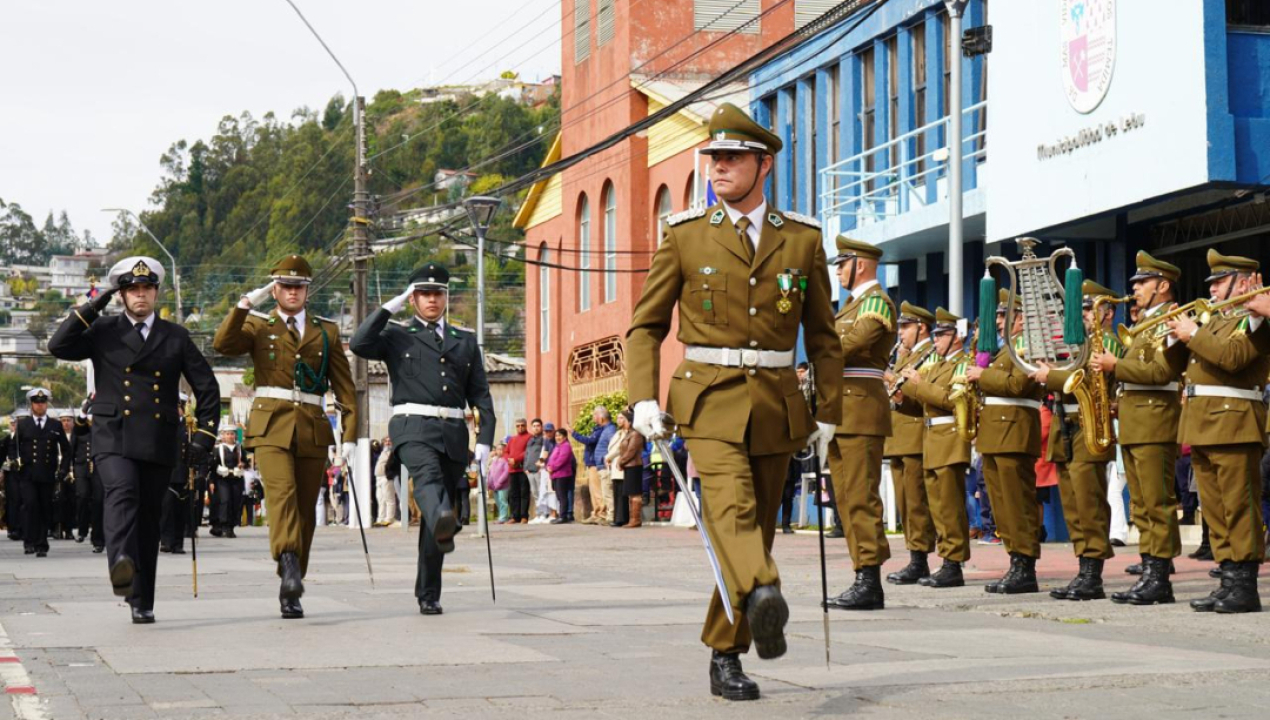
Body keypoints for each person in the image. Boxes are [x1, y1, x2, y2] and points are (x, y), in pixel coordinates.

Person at [626, 102, 842, 701]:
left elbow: (823, 335)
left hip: (777, 403)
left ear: (763, 164)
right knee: (732, 512)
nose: (718, 167)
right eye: (713, 157)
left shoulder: (801, 241)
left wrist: (828, 410)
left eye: (732, 158)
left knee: (752, 536)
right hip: (708, 401)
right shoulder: (686, 235)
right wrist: (642, 396)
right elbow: (645, 326)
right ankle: (767, 591)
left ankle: (726, 653)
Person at [48, 256, 220, 624]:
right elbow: (58, 346)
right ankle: (121, 564)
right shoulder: (103, 331)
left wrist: (204, 438)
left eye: (146, 289)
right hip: (113, 435)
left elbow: (207, 387)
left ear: (156, 292)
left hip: (158, 439)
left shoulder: (175, 336)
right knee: (122, 493)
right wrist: (94, 305)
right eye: (132, 290)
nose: (140, 296)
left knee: (148, 519)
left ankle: (142, 600)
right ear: (122, 295)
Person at [212, 254, 356, 620]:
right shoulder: (260, 326)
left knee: (306, 507)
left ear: (308, 291)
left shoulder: (327, 331)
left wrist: (351, 438)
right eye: (286, 285)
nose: (292, 291)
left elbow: (345, 389)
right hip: (271, 425)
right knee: (282, 495)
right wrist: (243, 306)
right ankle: (288, 559)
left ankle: (291, 584)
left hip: (311, 426)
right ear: (274, 289)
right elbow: (222, 344)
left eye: (299, 286)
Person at [350, 262, 496, 616]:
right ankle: (446, 516)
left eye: (438, 293)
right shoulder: (397, 335)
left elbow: (480, 395)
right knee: (429, 482)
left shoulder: (464, 341)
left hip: (452, 433)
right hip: (411, 427)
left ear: (446, 297)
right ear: (414, 298)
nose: (432, 300)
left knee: (436, 522)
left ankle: (429, 592)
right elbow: (359, 343)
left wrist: (485, 439)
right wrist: (389, 308)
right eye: (424, 294)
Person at [1166, 250, 1270, 613]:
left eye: (1219, 282)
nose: (1211, 290)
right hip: (1203, 422)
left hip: (1235, 422)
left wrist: (1193, 333)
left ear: (1243, 283)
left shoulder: (1253, 320)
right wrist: (1175, 336)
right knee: (1215, 509)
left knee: (1239, 506)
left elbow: (1233, 358)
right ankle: (1227, 577)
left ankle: (1244, 584)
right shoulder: (1212, 321)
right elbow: (1178, 368)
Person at [1090, 252, 1184, 605]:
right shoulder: (1144, 322)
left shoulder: (1172, 319)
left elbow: (1162, 372)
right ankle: (1149, 570)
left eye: (1142, 283)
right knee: (1141, 505)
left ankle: (1160, 576)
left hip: (1155, 422)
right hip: (1134, 420)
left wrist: (1116, 366)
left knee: (1156, 503)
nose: (1136, 289)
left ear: (1163, 285)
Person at [1030, 281, 1122, 600]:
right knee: (1072, 503)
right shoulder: (1078, 344)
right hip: (1064, 421)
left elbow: (1083, 376)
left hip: (1089, 422)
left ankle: (1093, 573)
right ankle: (1083, 567)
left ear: (1105, 313)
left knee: (1089, 501)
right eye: (1081, 310)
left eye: (1087, 310)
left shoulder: (1106, 340)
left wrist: (1051, 376)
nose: (1082, 316)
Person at [825, 236, 896, 611]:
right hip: (841, 411)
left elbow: (847, 346)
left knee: (861, 498)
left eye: (842, 263)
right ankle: (861, 575)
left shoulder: (876, 303)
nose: (838, 270)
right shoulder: (851, 306)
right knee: (846, 499)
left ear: (861, 264)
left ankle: (870, 579)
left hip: (861, 409)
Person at [963, 289, 1045, 594]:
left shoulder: (1028, 344)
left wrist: (981, 376)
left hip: (1014, 431)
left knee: (1017, 503)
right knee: (1000, 504)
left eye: (1004, 316)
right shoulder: (1002, 350)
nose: (998, 322)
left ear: (1021, 318)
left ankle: (1025, 566)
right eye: (998, 316)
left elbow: (1018, 383)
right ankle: (1015, 561)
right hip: (995, 434)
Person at [901, 308, 972, 588]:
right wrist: (901, 394)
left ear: (956, 337)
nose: (936, 339)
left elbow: (951, 398)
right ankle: (945, 560)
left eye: (941, 335)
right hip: (933, 439)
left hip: (950, 437)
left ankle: (953, 563)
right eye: (935, 334)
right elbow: (923, 402)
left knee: (950, 505)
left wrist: (918, 385)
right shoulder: (938, 365)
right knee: (938, 507)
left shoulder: (962, 363)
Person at [884, 302, 938, 585]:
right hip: (897, 438)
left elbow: (924, 394)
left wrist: (894, 380)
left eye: (906, 327)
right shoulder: (905, 355)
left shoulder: (929, 355)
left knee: (916, 502)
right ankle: (914, 555)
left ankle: (920, 559)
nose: (900, 333)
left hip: (916, 437)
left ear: (922, 328)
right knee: (905, 502)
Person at [7, 389, 71, 557]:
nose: (40, 405)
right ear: (32, 405)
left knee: (44, 508)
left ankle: (42, 544)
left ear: (46, 405)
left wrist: (63, 469)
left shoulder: (55, 425)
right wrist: (14, 460)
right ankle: (29, 542)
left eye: (43, 403)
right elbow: (13, 446)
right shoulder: (24, 425)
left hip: (47, 474)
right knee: (30, 506)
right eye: (37, 403)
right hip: (27, 474)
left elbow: (66, 450)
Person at [160, 394, 195, 554]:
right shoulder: (163, 425)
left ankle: (178, 543)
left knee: (180, 511)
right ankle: (166, 541)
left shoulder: (188, 428)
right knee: (166, 510)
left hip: (183, 474)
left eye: (178, 408)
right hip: (166, 473)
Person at [70, 400, 104, 552]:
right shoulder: (80, 426)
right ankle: (82, 529)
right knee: (82, 497)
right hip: (82, 467)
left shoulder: (101, 426)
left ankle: (98, 538)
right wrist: (71, 468)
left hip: (98, 467)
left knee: (98, 501)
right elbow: (72, 449)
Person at [574, 409, 617, 525]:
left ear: (601, 417)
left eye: (594, 415)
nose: (593, 417)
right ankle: (597, 513)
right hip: (595, 463)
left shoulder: (607, 430)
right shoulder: (600, 429)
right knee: (594, 491)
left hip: (600, 464)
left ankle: (603, 514)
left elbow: (590, 441)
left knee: (601, 492)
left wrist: (572, 432)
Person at [211, 425, 246, 537]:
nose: (230, 436)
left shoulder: (240, 448)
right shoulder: (218, 449)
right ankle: (223, 525)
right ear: (223, 436)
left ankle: (231, 526)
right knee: (225, 501)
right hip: (222, 479)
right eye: (227, 434)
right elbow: (212, 466)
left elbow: (245, 462)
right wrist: (211, 481)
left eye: (232, 434)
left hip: (236, 479)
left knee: (235, 502)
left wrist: (242, 464)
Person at [617, 409, 646, 528]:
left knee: (635, 494)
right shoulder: (629, 434)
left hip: (634, 465)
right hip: (629, 466)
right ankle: (632, 518)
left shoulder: (636, 434)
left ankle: (636, 519)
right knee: (631, 494)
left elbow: (631, 451)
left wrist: (621, 461)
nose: (620, 421)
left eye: (623, 419)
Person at [605, 411, 630, 527]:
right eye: (618, 418)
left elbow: (621, 449)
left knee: (621, 493)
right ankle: (617, 517)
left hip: (621, 464)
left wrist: (609, 457)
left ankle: (621, 518)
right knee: (616, 492)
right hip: (614, 464)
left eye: (621, 418)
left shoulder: (628, 434)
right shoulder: (618, 433)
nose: (619, 420)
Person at [546, 429, 577, 524]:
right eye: (556, 436)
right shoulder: (557, 446)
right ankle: (562, 514)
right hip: (555, 474)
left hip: (563, 474)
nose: (557, 438)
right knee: (559, 496)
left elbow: (561, 460)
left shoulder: (566, 446)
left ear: (565, 437)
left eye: (560, 436)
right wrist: (548, 466)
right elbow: (551, 459)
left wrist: (552, 467)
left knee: (563, 496)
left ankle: (563, 516)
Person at [505, 419, 531, 524]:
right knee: (513, 494)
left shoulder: (529, 437)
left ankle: (524, 515)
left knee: (524, 493)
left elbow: (528, 451)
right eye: (518, 426)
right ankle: (514, 516)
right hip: (512, 470)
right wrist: (509, 459)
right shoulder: (512, 439)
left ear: (526, 426)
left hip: (523, 468)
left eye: (522, 425)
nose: (520, 427)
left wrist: (516, 459)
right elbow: (506, 451)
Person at [374, 437, 398, 526]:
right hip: (378, 477)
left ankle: (389, 518)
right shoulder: (383, 452)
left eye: (389, 441)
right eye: (386, 441)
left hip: (385, 477)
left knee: (389, 498)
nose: (387, 443)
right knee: (380, 499)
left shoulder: (392, 452)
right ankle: (381, 518)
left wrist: (389, 474)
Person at [488, 444, 511, 523]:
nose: (500, 451)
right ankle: (501, 515)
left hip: (502, 486)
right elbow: (490, 472)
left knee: (502, 501)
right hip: (494, 486)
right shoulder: (494, 460)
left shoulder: (505, 460)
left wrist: (500, 482)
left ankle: (504, 517)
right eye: (498, 449)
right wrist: (489, 483)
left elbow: (506, 472)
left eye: (501, 449)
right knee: (497, 501)